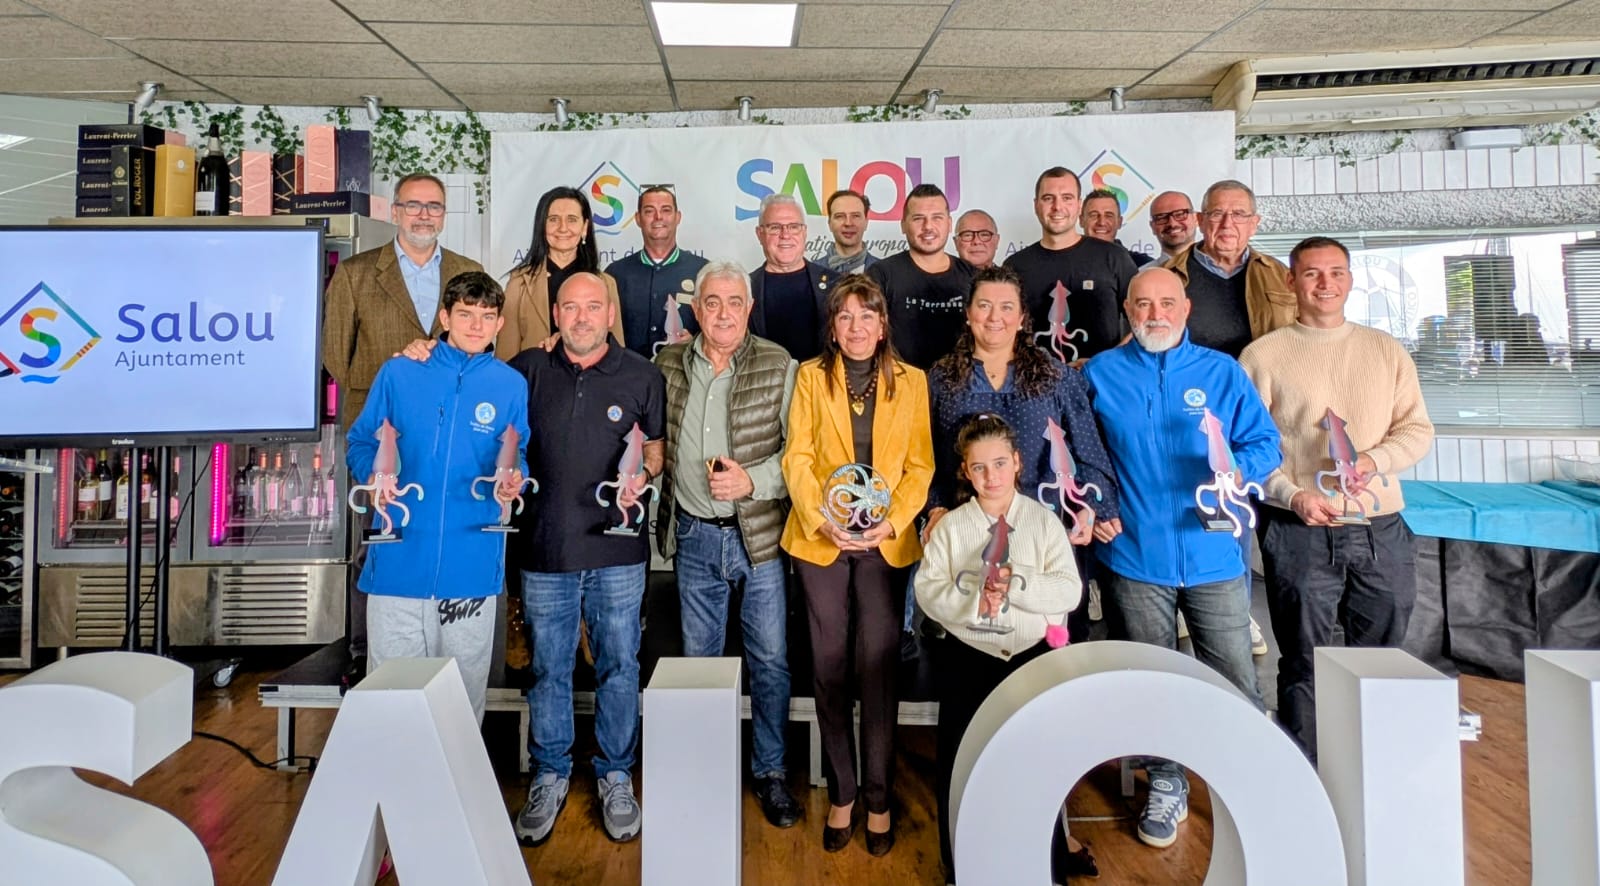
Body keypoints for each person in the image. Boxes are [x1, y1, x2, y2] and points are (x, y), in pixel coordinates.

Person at [1084, 268, 1281, 851]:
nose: (1156, 314)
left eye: (1167, 303)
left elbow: (1265, 443)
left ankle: (1251, 778)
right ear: (1127, 310)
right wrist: (1097, 503)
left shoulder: (1222, 372)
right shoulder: (1099, 374)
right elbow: (1082, 452)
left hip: (1214, 554)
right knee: (1151, 681)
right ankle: (1165, 780)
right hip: (1134, 556)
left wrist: (1236, 472)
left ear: (1186, 308)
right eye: (1143, 304)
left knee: (1233, 676)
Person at [1240, 236, 1435, 763]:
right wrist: (1292, 494)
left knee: (1382, 658)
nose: (1324, 283)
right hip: (1298, 528)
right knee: (1304, 660)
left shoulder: (1385, 351)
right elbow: (1248, 447)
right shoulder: (1262, 355)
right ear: (1291, 281)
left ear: (1349, 280)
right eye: (1311, 273)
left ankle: (1377, 767)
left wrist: (1373, 460)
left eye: (1336, 273)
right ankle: (1303, 772)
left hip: (1380, 529)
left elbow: (1416, 429)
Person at [508, 272, 664, 846]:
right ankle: (549, 773)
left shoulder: (642, 374)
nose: (581, 317)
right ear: (556, 314)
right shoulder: (525, 369)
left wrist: (643, 475)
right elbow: (501, 440)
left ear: (609, 314)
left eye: (592, 307)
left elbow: (656, 450)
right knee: (548, 669)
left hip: (617, 551)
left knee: (619, 665)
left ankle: (616, 774)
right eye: (570, 307)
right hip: (545, 548)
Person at [782, 274, 934, 857]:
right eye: (844, 316)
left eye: (866, 316)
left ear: (883, 325)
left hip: (883, 542)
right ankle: (842, 792)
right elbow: (797, 457)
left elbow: (920, 466)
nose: (856, 327)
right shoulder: (810, 377)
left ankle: (878, 797)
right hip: (821, 540)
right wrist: (823, 520)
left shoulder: (912, 382)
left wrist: (890, 523)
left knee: (878, 669)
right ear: (832, 326)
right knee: (828, 667)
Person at [653, 261, 803, 828]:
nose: (722, 313)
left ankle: (770, 772)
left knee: (770, 662)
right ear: (696, 310)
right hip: (694, 535)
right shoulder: (667, 364)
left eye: (733, 302)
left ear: (749, 308)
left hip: (758, 538)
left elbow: (800, 457)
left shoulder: (780, 364)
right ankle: (706, 768)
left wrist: (752, 482)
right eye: (711, 303)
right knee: (700, 663)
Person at [345, 271, 529, 725]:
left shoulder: (510, 385)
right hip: (398, 563)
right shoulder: (400, 372)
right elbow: (360, 442)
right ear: (444, 317)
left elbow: (517, 451)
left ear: (500, 324)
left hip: (472, 568)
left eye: (487, 316)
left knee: (460, 706)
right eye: (465, 314)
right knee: (392, 701)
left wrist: (516, 479)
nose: (476, 326)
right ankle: (393, 774)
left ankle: (455, 775)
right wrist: (375, 474)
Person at [322, 171, 483, 664]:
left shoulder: (467, 270)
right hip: (381, 432)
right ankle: (363, 652)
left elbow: (480, 348)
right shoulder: (356, 273)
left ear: (444, 215)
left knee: (439, 534)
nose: (423, 215)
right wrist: (396, 379)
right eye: (413, 205)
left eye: (434, 207)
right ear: (395, 211)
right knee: (377, 538)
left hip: (450, 434)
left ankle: (438, 646)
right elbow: (335, 355)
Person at [916, 414, 1082, 882]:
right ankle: (962, 865)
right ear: (965, 472)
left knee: (1038, 760)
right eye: (979, 467)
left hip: (1031, 655)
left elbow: (1069, 590)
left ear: (1018, 463)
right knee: (961, 762)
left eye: (1000, 464)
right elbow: (928, 591)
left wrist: (1017, 585)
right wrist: (975, 599)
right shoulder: (952, 528)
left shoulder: (1043, 522)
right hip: (969, 657)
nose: (991, 476)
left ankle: (1047, 864)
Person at [925, 265, 1119, 644]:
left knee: (1054, 649)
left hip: (1046, 533)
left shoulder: (1056, 377)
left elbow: (1088, 450)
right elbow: (923, 457)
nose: (994, 317)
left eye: (1006, 307)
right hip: (967, 534)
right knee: (975, 645)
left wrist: (1091, 507)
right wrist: (934, 509)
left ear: (1022, 317)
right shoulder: (940, 380)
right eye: (984, 306)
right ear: (968, 313)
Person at [1004, 167, 1139, 366]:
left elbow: (1144, 321)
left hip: (1099, 381)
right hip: (1035, 381)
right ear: (1036, 205)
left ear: (1079, 205)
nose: (1057, 207)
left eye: (1067, 198)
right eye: (1048, 198)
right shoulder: (1015, 266)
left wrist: (1107, 364)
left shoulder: (1113, 257)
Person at [1162, 180, 1296, 359]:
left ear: (1254, 224)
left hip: (1260, 376)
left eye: (1239, 214)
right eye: (1217, 214)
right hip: (1192, 376)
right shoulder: (1166, 275)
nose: (1227, 224)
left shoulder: (1281, 275)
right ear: (1200, 221)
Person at [499, 185, 626, 356]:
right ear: (542, 226)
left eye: (572, 219)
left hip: (592, 373)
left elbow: (616, 352)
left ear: (585, 227)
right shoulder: (519, 284)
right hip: (534, 372)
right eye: (553, 219)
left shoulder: (606, 284)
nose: (563, 228)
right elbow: (506, 357)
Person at [867, 184, 976, 369]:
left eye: (937, 218)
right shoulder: (881, 274)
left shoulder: (972, 276)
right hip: (898, 382)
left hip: (962, 382)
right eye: (918, 219)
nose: (928, 226)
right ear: (903, 225)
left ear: (949, 224)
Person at [606, 184, 708, 359]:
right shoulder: (614, 275)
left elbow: (718, 329)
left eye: (666, 210)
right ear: (638, 219)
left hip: (685, 373)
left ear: (678, 217)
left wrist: (696, 343)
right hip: (628, 374)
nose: (658, 217)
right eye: (649, 211)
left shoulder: (704, 272)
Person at [749, 193, 832, 361]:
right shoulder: (744, 288)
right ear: (760, 234)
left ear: (804, 232)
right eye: (775, 227)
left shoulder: (836, 284)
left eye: (794, 227)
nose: (785, 235)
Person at [1082, 188, 1154, 266]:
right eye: (1094, 215)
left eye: (1109, 216)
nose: (1101, 222)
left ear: (1119, 222)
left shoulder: (1144, 265)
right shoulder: (1071, 260)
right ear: (1081, 221)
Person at [821, 189, 880, 275]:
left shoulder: (884, 272)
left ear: (866, 223)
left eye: (855, 216)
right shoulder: (811, 273)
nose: (848, 223)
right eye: (840, 216)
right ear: (830, 224)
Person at [1147, 190, 1198, 264]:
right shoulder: (1143, 271)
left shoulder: (1215, 269)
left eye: (1179, 214)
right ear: (1152, 227)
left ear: (1196, 219)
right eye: (1161, 218)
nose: (1172, 224)